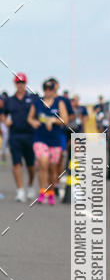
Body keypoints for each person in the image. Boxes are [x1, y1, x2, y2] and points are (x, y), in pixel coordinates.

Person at [28, 77, 69, 205]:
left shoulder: (59, 102)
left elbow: (65, 120)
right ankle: (42, 191)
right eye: (45, 89)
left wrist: (52, 120)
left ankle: (51, 192)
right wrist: (34, 122)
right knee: (43, 163)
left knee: (52, 168)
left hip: (55, 140)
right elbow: (30, 118)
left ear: (54, 90)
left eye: (50, 89)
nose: (48, 91)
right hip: (40, 138)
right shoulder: (38, 103)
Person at [2, 74, 37, 202]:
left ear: (25, 83)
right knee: (16, 163)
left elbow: (38, 114)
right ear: (15, 84)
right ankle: (20, 190)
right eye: (18, 82)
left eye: (22, 82)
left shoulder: (32, 99)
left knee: (31, 165)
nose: (20, 85)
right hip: (15, 135)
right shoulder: (9, 100)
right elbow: (3, 114)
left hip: (29, 135)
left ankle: (30, 185)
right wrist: (5, 121)